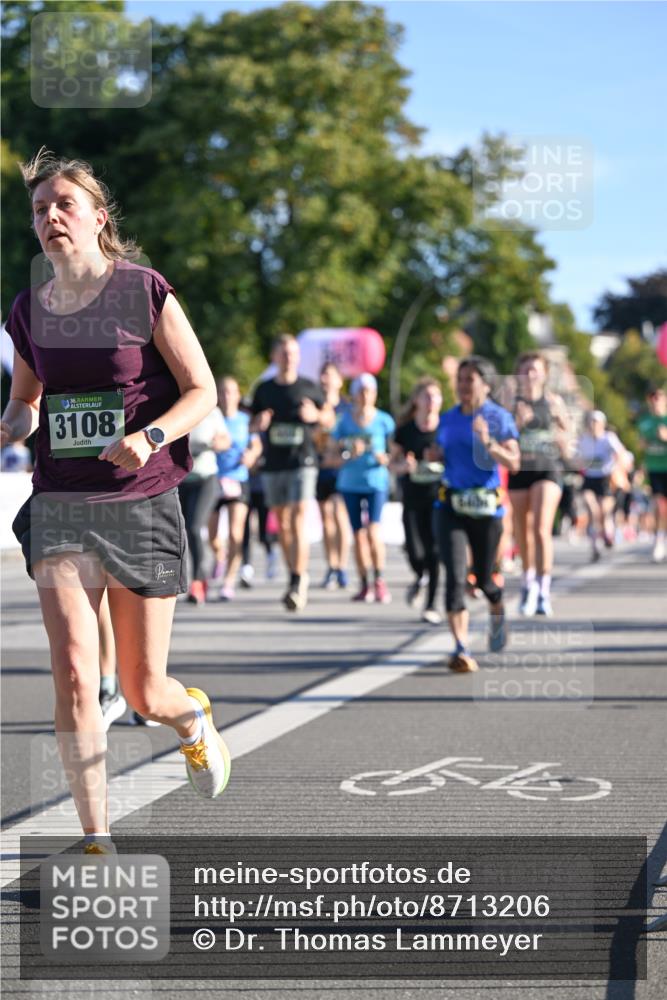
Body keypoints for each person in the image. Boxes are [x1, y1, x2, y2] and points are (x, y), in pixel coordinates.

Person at [1, 151, 230, 854]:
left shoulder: (143, 290)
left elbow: (202, 391)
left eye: (63, 205)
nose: (49, 219)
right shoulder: (28, 309)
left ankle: (189, 721)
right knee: (73, 668)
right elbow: (26, 403)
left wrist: (150, 434)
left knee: (142, 692)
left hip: (141, 498)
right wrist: (10, 425)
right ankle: (97, 835)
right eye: (40, 210)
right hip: (63, 503)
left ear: (99, 218)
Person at [432, 356, 520, 673]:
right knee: (455, 578)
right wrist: (434, 456)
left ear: (485, 383)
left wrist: (489, 443)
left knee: (483, 580)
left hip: (486, 508)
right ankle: (461, 648)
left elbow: (514, 462)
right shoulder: (448, 419)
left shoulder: (499, 417)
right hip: (450, 505)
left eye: (470, 379)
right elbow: (441, 452)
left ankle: (497, 606)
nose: (464, 385)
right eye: (460, 379)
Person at [249, 334, 333, 611]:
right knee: (282, 524)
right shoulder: (264, 389)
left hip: (303, 461)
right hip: (274, 462)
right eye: (284, 353)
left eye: (293, 353)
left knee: (297, 519)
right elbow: (250, 424)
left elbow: (329, 417)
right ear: (275, 357)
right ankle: (296, 575)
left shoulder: (308, 386)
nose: (289, 357)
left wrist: (317, 417)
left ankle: (297, 581)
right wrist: (258, 423)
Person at [506, 352, 571, 617]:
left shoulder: (553, 402)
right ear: (518, 374)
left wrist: (561, 431)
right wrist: (516, 424)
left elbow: (568, 438)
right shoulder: (511, 405)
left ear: (544, 374)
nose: (530, 374)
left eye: (535, 369)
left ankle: (544, 590)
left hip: (548, 469)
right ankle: (528, 583)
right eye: (525, 370)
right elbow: (502, 439)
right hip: (521, 470)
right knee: (523, 530)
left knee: (541, 528)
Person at [330, 373, 395, 604]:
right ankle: (364, 583)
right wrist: (348, 451)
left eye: (370, 391)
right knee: (358, 535)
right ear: (355, 395)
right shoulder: (344, 421)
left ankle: (379, 579)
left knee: (374, 530)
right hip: (350, 482)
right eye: (361, 391)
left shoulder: (385, 421)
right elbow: (331, 454)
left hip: (376, 481)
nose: (366, 396)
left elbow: (395, 453)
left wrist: (384, 457)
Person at [390, 377, 443, 623]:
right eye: (426, 396)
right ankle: (419, 575)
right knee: (414, 551)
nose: (431, 401)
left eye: (435, 396)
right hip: (412, 497)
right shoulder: (405, 430)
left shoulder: (445, 429)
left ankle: (431, 605)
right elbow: (393, 462)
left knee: (433, 552)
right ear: (416, 400)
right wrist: (404, 466)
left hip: (438, 498)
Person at [208, 376, 262, 600]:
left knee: (235, 533)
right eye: (222, 392)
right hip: (213, 480)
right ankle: (220, 556)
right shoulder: (212, 418)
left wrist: (251, 455)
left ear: (238, 396)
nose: (227, 396)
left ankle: (228, 582)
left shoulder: (244, 420)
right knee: (212, 537)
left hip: (238, 480)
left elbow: (256, 443)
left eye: (231, 392)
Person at [178, 405, 230, 604]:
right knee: (181, 531)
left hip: (206, 478)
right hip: (180, 479)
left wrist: (217, 443)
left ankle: (199, 581)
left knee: (194, 526)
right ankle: (190, 577)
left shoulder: (211, 410)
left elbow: (226, 440)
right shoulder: (175, 406)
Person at [576, 410, 630, 562]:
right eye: (591, 422)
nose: (593, 425)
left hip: (605, 479)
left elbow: (622, 454)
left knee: (604, 512)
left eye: (596, 422)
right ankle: (595, 546)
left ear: (602, 424)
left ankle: (608, 534)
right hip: (589, 479)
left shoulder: (608, 438)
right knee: (592, 510)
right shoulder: (583, 439)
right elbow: (576, 457)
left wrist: (615, 467)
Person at [315, 362, 351, 590]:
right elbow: (312, 438)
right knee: (326, 518)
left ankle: (343, 566)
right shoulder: (316, 406)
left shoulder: (347, 408)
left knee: (340, 514)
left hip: (343, 469)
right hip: (321, 468)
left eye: (331, 374)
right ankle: (332, 565)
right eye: (323, 374)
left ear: (339, 380)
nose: (326, 379)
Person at [637, 384, 667, 562]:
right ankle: (658, 540)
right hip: (654, 469)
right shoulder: (645, 421)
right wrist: (645, 443)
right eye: (653, 398)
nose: (656, 402)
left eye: (659, 398)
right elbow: (641, 445)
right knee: (657, 506)